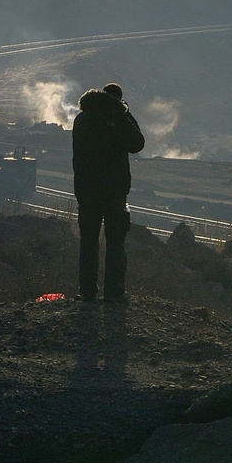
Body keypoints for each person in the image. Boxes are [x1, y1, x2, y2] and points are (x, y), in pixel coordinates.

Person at [71, 83, 144, 303]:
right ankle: (114, 292)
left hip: (86, 191)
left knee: (88, 242)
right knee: (115, 242)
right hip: (114, 191)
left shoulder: (81, 120)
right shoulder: (118, 120)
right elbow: (137, 143)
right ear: (117, 101)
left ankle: (87, 292)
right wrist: (125, 113)